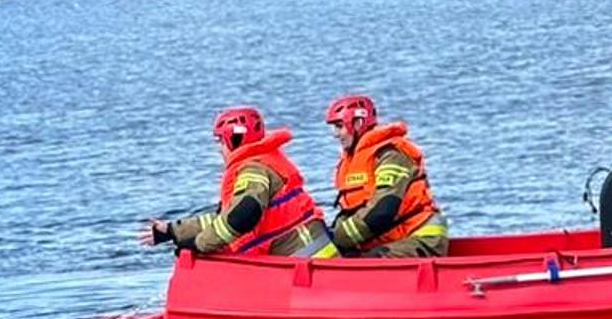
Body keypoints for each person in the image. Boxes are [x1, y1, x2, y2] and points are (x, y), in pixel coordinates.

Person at [140, 106, 338, 258]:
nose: (219, 149)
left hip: (308, 262)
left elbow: (244, 215)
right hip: (307, 257)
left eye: (220, 141)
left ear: (232, 140)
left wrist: (200, 244)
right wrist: (173, 231)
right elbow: (225, 217)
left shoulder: (254, 170)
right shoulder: (263, 161)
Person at [324, 94, 448, 257]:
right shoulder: (353, 160)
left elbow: (383, 210)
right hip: (394, 239)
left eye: (339, 126)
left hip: (421, 238)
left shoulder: (391, 156)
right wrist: (328, 235)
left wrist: (337, 239)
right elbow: (351, 211)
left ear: (357, 123)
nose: (336, 134)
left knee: (363, 264)